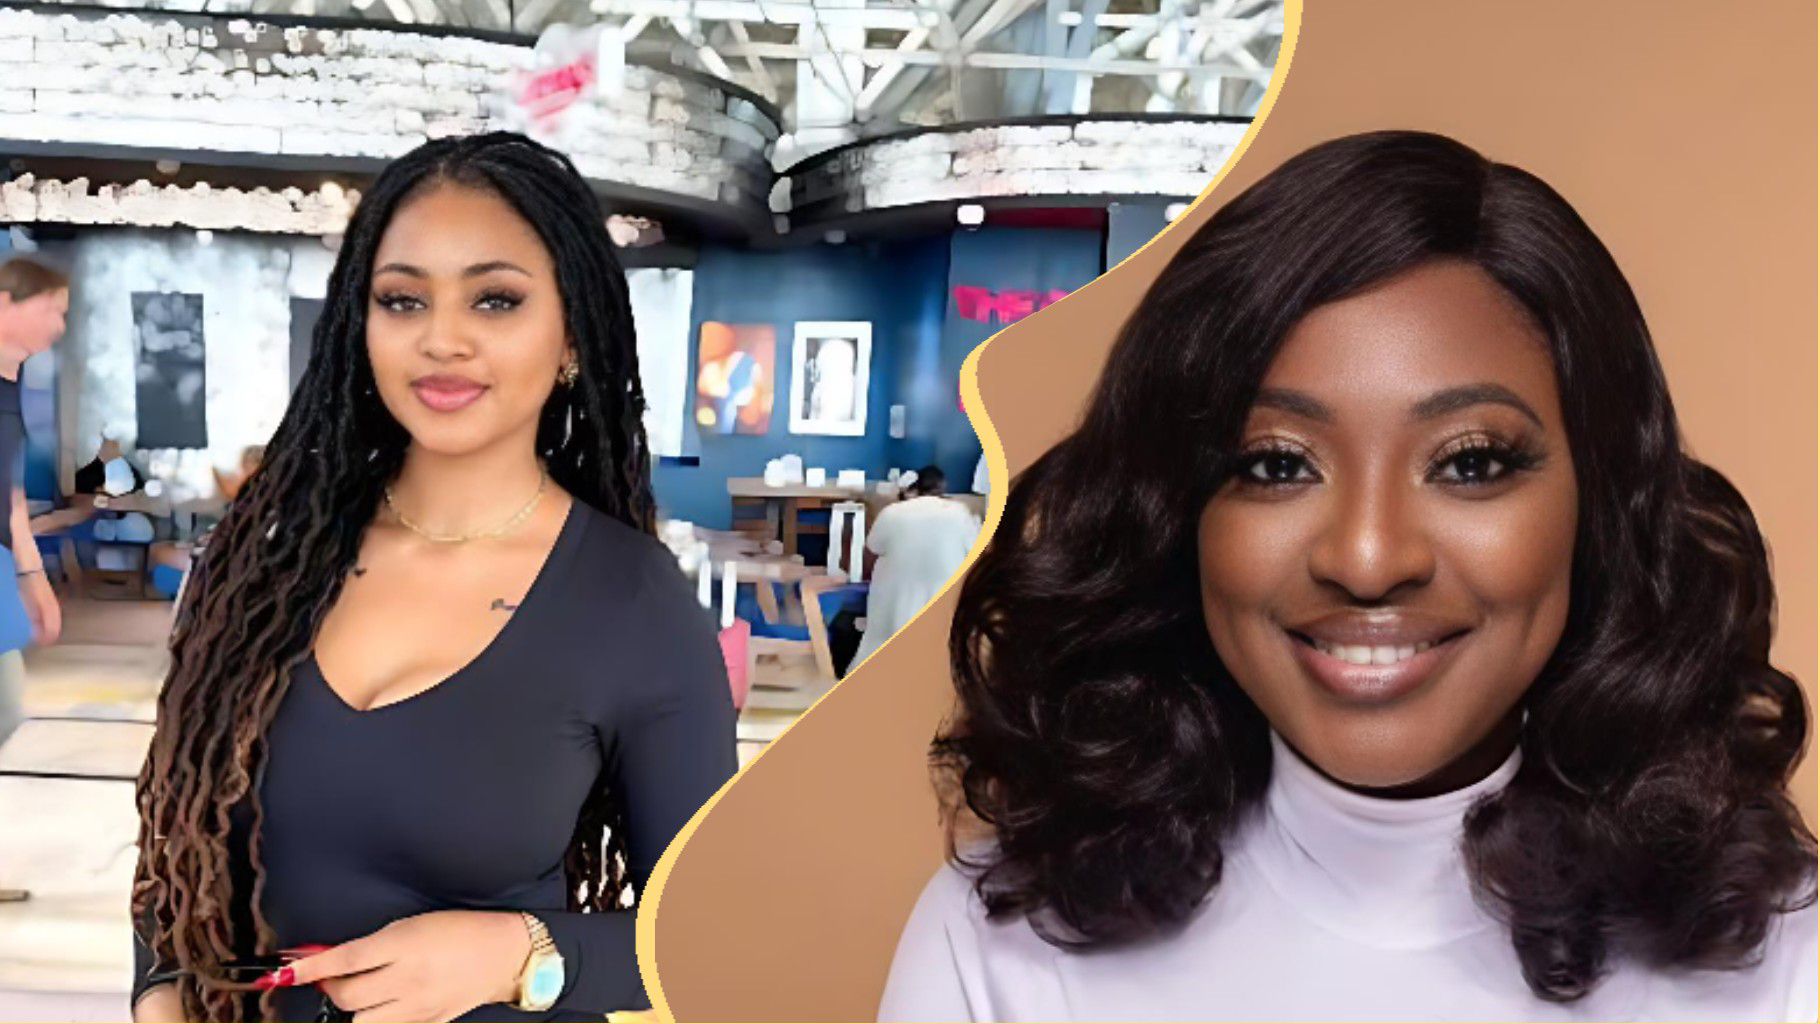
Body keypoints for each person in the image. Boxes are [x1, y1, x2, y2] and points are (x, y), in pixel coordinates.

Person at [879, 131, 1817, 1021]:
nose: (1368, 561)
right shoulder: (1001, 952)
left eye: (1473, 461)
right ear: (1178, 515)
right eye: (1277, 464)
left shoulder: (1787, 961)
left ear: (1600, 503)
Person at [129, 132, 737, 1023]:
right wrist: (158, 997)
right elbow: (174, 840)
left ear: (573, 335)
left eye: (495, 300)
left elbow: (711, 933)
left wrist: (519, 953)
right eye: (403, 300)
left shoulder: (632, 599)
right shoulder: (261, 560)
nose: (441, 340)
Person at [0, 256, 68, 905]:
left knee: (4, 708)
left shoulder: (11, 383)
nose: (58, 324)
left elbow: (11, 490)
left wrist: (32, 576)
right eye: (52, 307)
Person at [850, 466, 980, 669]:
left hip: (894, 601)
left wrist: (863, 579)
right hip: (943, 602)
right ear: (942, 488)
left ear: (914, 488)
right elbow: (974, 555)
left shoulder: (891, 513)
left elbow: (871, 550)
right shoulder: (960, 512)